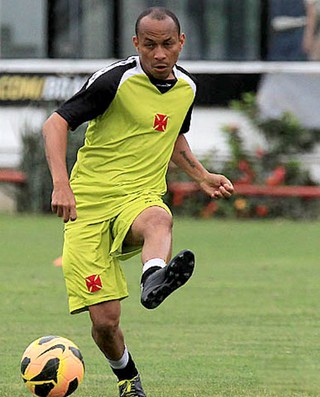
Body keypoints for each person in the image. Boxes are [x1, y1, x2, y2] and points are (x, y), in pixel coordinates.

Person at [42, 7, 234, 397]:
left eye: (167, 45)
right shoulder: (115, 81)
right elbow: (56, 123)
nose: (159, 54)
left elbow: (172, 136)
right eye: (150, 46)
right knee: (105, 322)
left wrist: (201, 175)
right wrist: (61, 184)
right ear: (136, 44)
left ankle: (153, 278)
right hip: (89, 207)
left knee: (159, 220)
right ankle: (128, 378)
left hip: (139, 196)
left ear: (181, 43)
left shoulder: (186, 90)